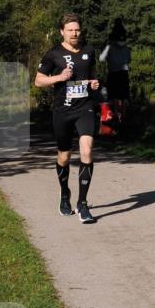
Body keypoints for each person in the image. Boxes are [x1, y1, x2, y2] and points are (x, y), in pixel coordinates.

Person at [35, 14, 100, 224]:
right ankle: (65, 194)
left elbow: (91, 76)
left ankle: (82, 204)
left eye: (77, 30)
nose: (75, 33)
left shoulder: (89, 51)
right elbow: (38, 81)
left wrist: (93, 84)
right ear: (61, 31)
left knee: (87, 150)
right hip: (62, 111)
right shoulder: (53, 54)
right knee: (64, 156)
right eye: (70, 30)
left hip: (85, 108)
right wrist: (59, 78)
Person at [99, 21, 131, 129]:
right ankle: (125, 118)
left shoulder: (110, 46)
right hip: (124, 73)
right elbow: (129, 59)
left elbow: (101, 59)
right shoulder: (126, 47)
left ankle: (115, 118)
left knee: (113, 96)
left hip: (113, 73)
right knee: (124, 97)